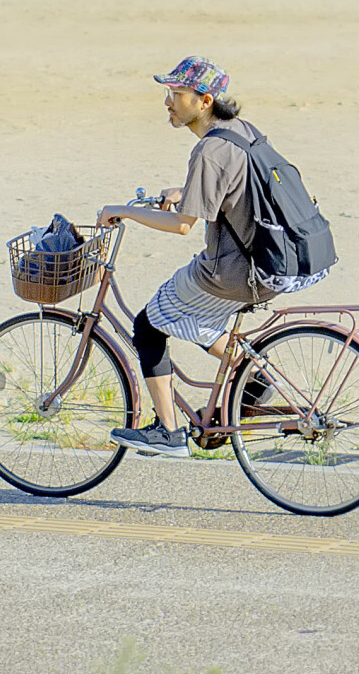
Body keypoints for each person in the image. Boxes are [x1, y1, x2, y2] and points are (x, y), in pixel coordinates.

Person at [98, 56, 330, 459]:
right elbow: (233, 188)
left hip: (234, 272)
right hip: (275, 263)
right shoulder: (241, 131)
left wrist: (124, 211)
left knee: (149, 326)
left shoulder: (209, 151)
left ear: (204, 101)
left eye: (177, 94)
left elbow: (183, 226)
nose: (168, 102)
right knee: (193, 317)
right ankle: (253, 380)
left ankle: (168, 433)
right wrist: (184, 191)